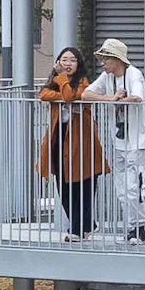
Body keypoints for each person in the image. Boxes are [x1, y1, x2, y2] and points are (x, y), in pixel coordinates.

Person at [89, 35, 145, 241]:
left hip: (137, 141)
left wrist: (122, 100)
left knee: (136, 186)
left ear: (118, 59)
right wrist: (111, 98)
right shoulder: (107, 78)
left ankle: (140, 227)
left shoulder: (134, 74)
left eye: (107, 59)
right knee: (122, 188)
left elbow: (137, 97)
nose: (103, 63)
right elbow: (86, 94)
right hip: (119, 141)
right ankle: (132, 227)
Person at [37, 43, 103, 237]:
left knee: (81, 185)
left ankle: (76, 230)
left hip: (80, 139)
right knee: (63, 188)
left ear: (78, 63)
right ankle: (87, 225)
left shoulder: (83, 81)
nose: (68, 64)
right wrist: (62, 92)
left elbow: (70, 94)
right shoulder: (57, 80)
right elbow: (44, 94)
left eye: (72, 60)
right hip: (60, 135)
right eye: (64, 60)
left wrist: (63, 85)